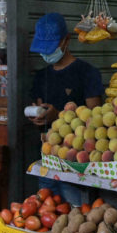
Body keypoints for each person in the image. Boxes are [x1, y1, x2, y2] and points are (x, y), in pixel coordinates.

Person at [28, 12, 104, 206]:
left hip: (76, 168)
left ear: (66, 41)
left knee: (77, 215)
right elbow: (38, 105)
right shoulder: (41, 77)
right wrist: (39, 116)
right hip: (47, 160)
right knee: (47, 214)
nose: (46, 53)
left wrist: (58, 115)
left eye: (50, 47)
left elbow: (96, 121)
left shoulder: (87, 73)